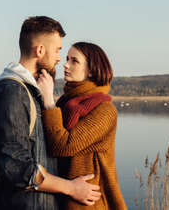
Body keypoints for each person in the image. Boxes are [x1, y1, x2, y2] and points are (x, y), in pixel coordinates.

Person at [0, 17, 101, 210]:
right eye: (57, 50)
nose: (59, 58)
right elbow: (15, 167)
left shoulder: (31, 91)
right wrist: (71, 188)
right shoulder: (12, 92)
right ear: (39, 50)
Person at [37, 42, 127, 210]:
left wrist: (48, 101)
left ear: (91, 70)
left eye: (74, 61)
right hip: (63, 195)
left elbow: (62, 146)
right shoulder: (65, 102)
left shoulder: (105, 110)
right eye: (66, 59)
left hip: (89, 202)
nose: (65, 64)